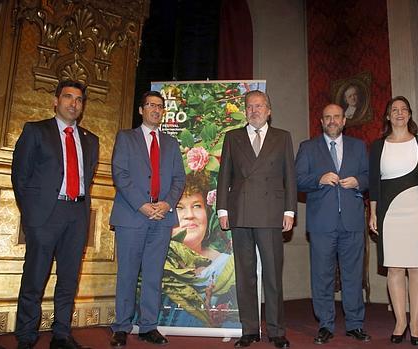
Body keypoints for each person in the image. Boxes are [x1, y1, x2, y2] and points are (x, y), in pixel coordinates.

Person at [12, 80, 99, 349]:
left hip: (77, 213)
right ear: (56, 101)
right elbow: (20, 176)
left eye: (79, 99)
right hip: (45, 216)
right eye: (68, 97)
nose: (73, 103)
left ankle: (61, 333)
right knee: (35, 278)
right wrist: (31, 217)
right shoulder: (36, 131)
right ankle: (26, 335)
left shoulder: (91, 140)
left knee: (69, 279)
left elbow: (88, 176)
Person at [216, 90, 297, 348]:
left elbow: (290, 178)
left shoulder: (282, 137)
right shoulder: (233, 137)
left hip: (272, 213)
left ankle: (276, 331)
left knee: (273, 275)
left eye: (259, 106)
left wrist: (289, 211)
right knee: (245, 275)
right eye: (250, 106)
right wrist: (222, 210)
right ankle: (249, 329)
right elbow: (224, 176)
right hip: (240, 212)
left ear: (269, 110)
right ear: (245, 111)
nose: (254, 110)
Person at [109, 91, 186, 347]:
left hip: (162, 217)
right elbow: (120, 174)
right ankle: (121, 327)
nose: (156, 109)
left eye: (160, 106)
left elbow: (179, 179)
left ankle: (148, 326)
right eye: (151, 105)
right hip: (132, 216)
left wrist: (166, 203)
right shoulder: (126, 138)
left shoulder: (171, 144)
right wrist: (142, 206)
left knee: (154, 274)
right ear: (141, 110)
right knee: (128, 274)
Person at [295, 103, 371, 345]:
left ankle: (355, 325)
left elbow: (370, 177)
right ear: (321, 121)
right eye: (327, 117)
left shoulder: (358, 147)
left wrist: (358, 181)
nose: (332, 121)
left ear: (344, 121)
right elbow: (297, 180)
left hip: (352, 222)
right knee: (322, 276)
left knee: (353, 276)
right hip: (321, 224)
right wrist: (319, 179)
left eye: (336, 117)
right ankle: (325, 325)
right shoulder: (307, 147)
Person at [368, 96, 418, 346]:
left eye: (403, 109)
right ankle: (400, 322)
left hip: (417, 210)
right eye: (394, 110)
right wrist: (372, 213)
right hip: (389, 213)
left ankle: (415, 323)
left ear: (410, 114)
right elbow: (374, 183)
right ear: (387, 116)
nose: (399, 113)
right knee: (394, 269)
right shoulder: (378, 146)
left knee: (417, 269)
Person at [160, 171, 238, 328]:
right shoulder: (155, 265)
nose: (189, 215)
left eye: (197, 206)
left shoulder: (229, 265)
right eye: (179, 207)